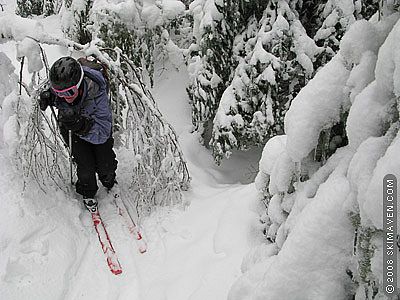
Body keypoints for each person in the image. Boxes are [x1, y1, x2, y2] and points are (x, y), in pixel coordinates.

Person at [39, 56, 118, 212]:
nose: (65, 97)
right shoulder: (62, 88)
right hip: (71, 125)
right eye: (59, 93)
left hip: (96, 126)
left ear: (80, 83)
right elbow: (59, 93)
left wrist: (81, 126)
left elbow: (102, 133)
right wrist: (49, 97)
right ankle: (87, 190)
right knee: (85, 165)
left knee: (105, 163)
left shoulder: (97, 92)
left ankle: (108, 180)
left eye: (70, 92)